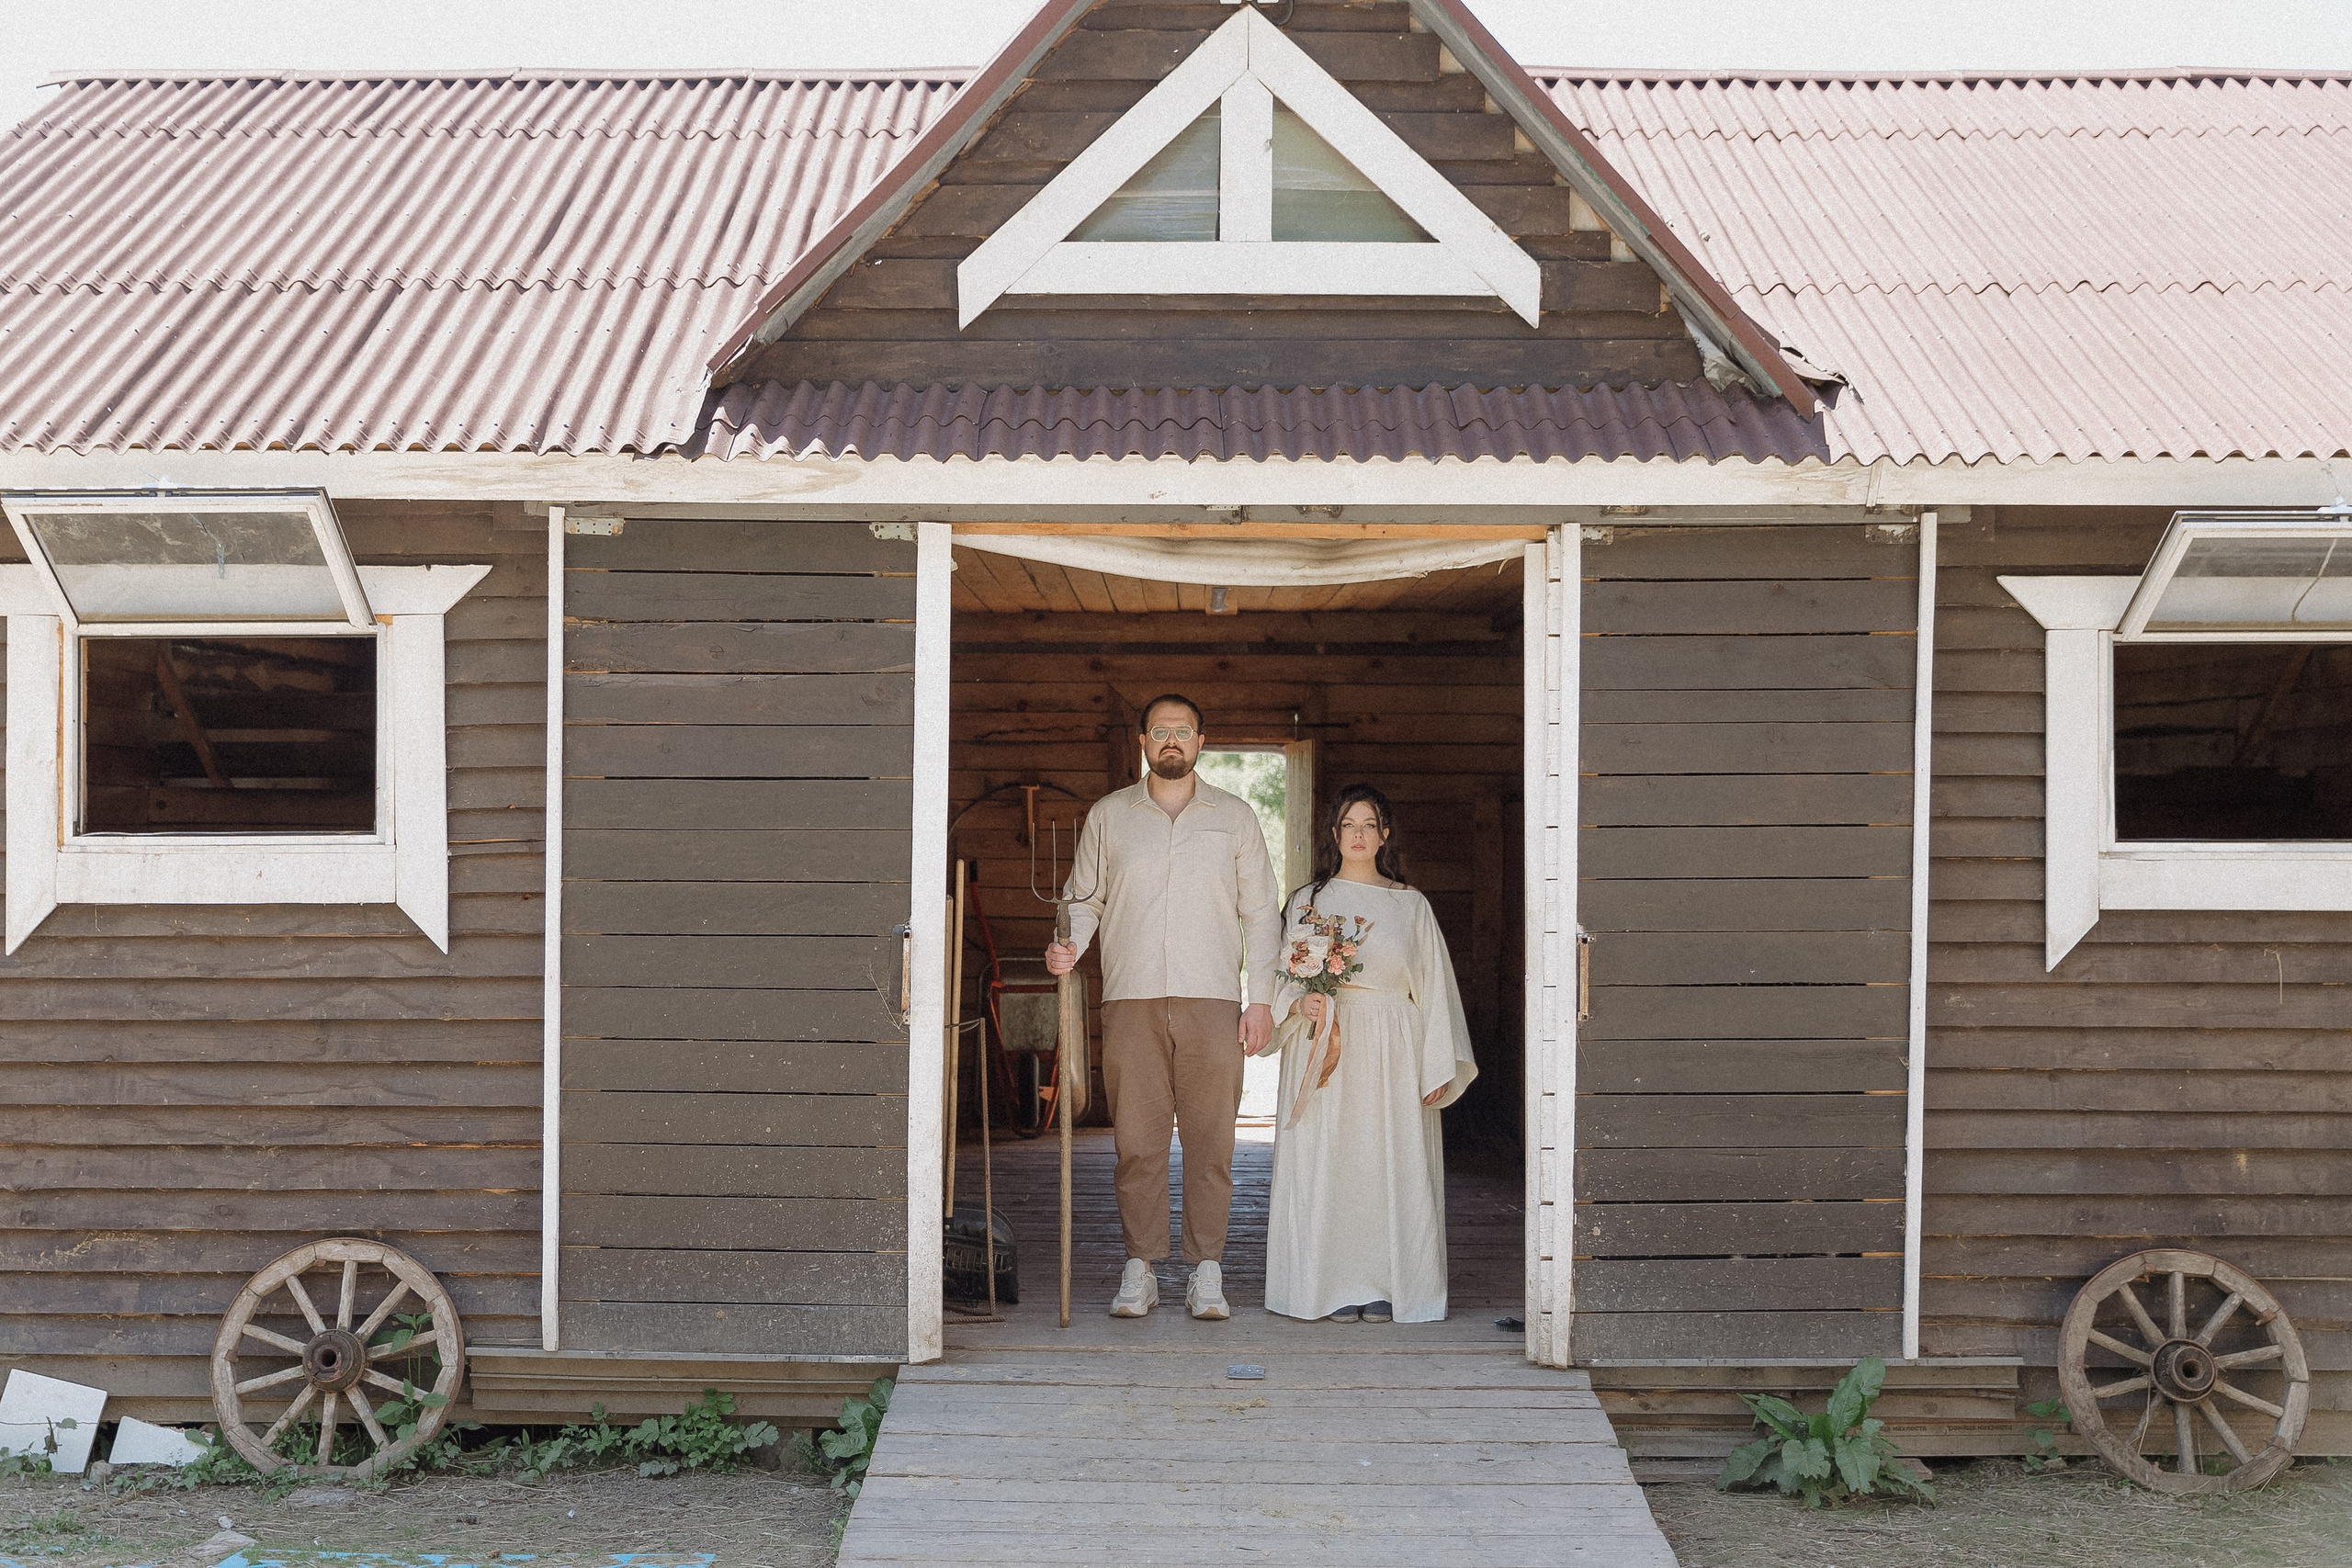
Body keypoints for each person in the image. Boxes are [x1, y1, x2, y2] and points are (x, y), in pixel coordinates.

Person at [1046, 694, 1281, 1320]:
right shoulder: (1109, 816)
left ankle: (1207, 1271)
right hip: (1131, 997)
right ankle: (1141, 1268)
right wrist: (1069, 945)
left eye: (1183, 730)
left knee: (1212, 1142)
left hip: (1214, 999)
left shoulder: (1235, 817)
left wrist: (1261, 999)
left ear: (1201, 741)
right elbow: (1083, 900)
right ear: (1143, 742)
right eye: (1159, 730)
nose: (1171, 740)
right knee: (1137, 1142)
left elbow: (1262, 914)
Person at [1258, 784, 1477, 1325]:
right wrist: (1299, 1002)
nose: (1358, 834)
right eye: (1348, 824)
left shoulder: (1410, 905)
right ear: (1335, 834)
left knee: (1386, 1163)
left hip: (1392, 1048)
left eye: (1369, 824)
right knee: (1327, 1161)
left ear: (1384, 835)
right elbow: (1279, 975)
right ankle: (1327, 1285)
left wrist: (1435, 1065)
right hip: (1323, 1042)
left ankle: (1386, 1284)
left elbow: (1435, 989)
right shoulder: (1308, 902)